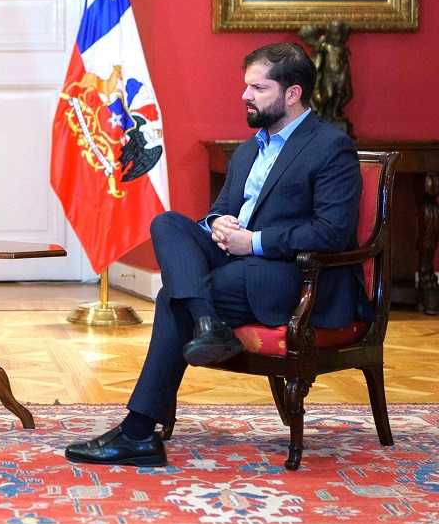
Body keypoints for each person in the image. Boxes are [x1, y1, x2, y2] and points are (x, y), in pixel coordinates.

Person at [65, 42, 371, 467]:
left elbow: (332, 232)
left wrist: (254, 241)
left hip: (296, 277)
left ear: (293, 93)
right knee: (168, 223)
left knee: (173, 298)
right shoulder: (248, 150)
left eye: (258, 88)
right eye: (246, 86)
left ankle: (138, 432)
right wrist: (217, 224)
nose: (245, 95)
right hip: (240, 263)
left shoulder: (330, 146)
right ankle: (208, 326)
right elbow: (220, 209)